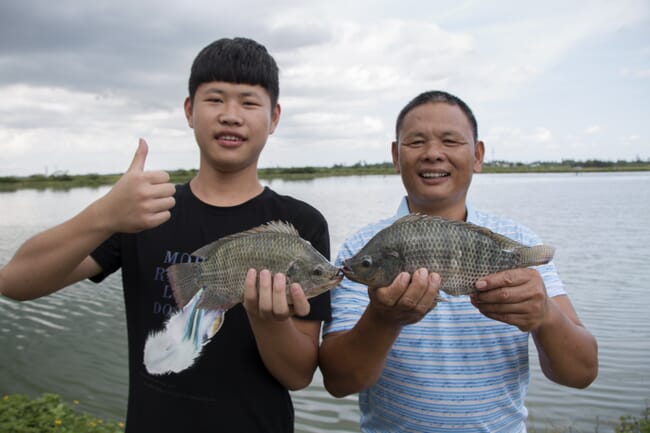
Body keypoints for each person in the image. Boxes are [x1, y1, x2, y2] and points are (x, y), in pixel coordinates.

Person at [0, 37, 331, 433]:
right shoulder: (144, 211)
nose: (230, 115)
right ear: (189, 111)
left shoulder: (300, 224)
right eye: (214, 99)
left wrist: (269, 321)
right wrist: (102, 215)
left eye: (248, 102)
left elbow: (297, 376)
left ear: (274, 117)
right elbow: (15, 283)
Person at [318, 90, 598, 433]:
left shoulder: (518, 242)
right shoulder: (363, 248)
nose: (433, 154)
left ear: (478, 155)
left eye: (450, 141)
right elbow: (339, 381)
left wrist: (545, 316)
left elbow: (581, 373)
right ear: (395, 155)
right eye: (416, 141)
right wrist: (382, 320)